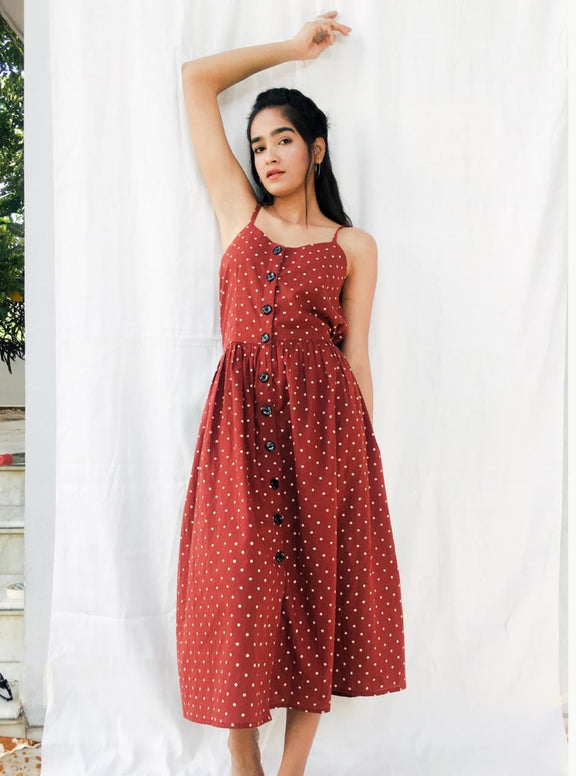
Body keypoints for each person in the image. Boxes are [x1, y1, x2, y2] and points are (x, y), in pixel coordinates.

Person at [176, 11, 407, 776]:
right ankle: (241, 753)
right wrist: (291, 50)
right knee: (235, 584)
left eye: (283, 140)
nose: (268, 155)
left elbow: (356, 356)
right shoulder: (237, 215)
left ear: (316, 148)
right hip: (239, 428)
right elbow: (195, 81)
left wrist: (361, 467)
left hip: (327, 434)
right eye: (257, 144)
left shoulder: (354, 246)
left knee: (317, 593)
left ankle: (291, 769)